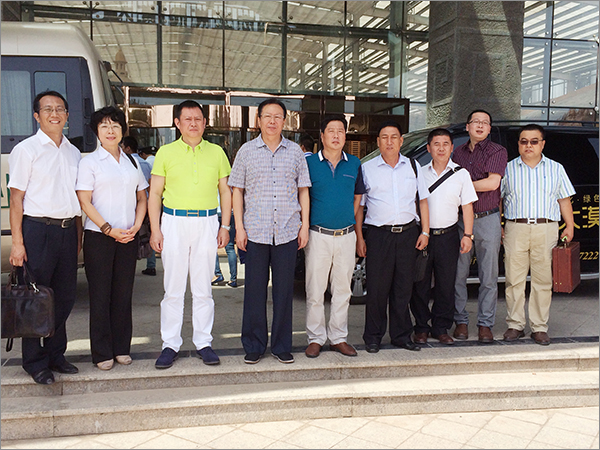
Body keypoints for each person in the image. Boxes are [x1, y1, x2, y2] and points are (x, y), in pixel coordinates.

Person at [148, 100, 232, 369]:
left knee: (203, 288)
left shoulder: (217, 152)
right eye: (187, 119)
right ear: (177, 123)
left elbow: (225, 191)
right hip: (173, 222)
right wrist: (155, 229)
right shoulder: (165, 152)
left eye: (198, 119)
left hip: (206, 222)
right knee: (173, 289)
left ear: (205, 123)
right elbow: (154, 194)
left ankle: (203, 342)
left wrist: (225, 226)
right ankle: (170, 344)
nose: (193, 123)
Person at [229, 98, 311, 365]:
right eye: (267, 116)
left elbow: (303, 191)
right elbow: (237, 191)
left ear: (284, 121)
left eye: (278, 116)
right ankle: (254, 345)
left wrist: (304, 226)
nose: (272, 121)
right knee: (254, 291)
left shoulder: (295, 152)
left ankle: (281, 345)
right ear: (259, 120)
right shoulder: (246, 151)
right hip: (255, 232)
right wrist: (239, 228)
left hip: (287, 232)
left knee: (284, 293)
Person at [7, 90, 82, 385]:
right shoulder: (26, 150)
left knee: (64, 297)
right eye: (48, 109)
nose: (55, 114)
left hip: (67, 230)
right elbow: (16, 199)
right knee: (35, 296)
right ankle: (34, 362)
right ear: (37, 116)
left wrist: (77, 238)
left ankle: (55, 354)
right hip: (38, 230)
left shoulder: (73, 152)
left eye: (60, 109)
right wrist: (17, 242)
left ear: (67, 115)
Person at [76, 106, 148, 370]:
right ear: (96, 131)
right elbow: (84, 201)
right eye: (104, 126)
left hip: (127, 237)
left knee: (123, 294)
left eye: (115, 125)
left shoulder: (132, 162)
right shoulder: (89, 162)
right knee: (100, 295)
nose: (110, 130)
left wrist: (136, 226)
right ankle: (102, 352)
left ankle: (121, 348)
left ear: (122, 130)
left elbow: (142, 197)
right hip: (100, 238)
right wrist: (108, 229)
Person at [356, 120, 430, 353]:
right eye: (384, 137)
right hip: (379, 236)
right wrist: (359, 238)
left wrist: (425, 231)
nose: (389, 141)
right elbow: (359, 207)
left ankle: (401, 336)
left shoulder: (413, 166)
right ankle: (373, 336)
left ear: (401, 141)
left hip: (408, 234)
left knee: (403, 288)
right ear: (378, 142)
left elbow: (423, 201)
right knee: (377, 289)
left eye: (394, 137)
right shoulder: (366, 169)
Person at [501, 124, 575, 346]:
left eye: (534, 141)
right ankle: (515, 324)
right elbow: (498, 200)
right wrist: (499, 225)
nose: (529, 145)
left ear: (542, 144)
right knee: (514, 279)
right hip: (515, 228)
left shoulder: (556, 168)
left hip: (546, 228)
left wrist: (569, 225)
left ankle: (539, 327)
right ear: (518, 144)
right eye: (524, 141)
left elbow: (564, 200)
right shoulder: (507, 169)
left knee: (542, 280)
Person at [304, 114, 365, 358]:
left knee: (342, 290)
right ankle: (315, 338)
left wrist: (348, 220)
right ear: (322, 136)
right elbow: (302, 196)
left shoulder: (354, 163)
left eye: (341, 131)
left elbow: (358, 197)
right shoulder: (309, 163)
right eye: (331, 131)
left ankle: (338, 337)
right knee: (315, 290)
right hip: (317, 235)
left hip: (346, 235)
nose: (336, 135)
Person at [410, 129, 477, 345]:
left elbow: (467, 207)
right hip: (422, 236)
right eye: (436, 144)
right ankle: (421, 327)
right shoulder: (419, 173)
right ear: (428, 148)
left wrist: (467, 235)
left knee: (446, 284)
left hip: (448, 236)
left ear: (452, 148)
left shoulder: (461, 174)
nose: (441, 148)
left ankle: (441, 328)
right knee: (420, 284)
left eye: (445, 144)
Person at [452, 109, 508, 343]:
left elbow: (493, 183)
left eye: (485, 122)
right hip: (461, 220)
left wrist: (462, 185)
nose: (481, 125)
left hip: (488, 218)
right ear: (467, 126)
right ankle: (460, 321)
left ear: (489, 128)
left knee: (488, 276)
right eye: (476, 121)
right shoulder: (457, 153)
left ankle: (485, 324)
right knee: (458, 274)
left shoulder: (497, 151)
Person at [137, 145, 157, 277]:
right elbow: (151, 185)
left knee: (132, 235)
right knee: (150, 234)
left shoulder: (128, 161)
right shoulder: (147, 164)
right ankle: (151, 265)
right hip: (148, 203)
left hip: (134, 204)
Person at [212, 204, 238, 288]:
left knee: (213, 247)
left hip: (215, 213)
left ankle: (217, 274)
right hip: (231, 213)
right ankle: (233, 279)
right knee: (230, 248)